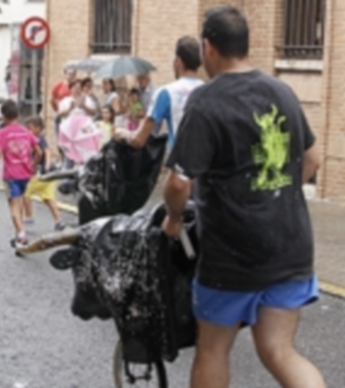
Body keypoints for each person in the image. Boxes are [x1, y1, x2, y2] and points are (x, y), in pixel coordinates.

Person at [161, 7, 325, 388]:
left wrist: (172, 219)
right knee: (279, 350)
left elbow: (178, 183)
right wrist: (276, 196)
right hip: (290, 246)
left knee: (214, 350)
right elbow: (313, 157)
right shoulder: (281, 91)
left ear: (208, 47)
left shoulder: (207, 102)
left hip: (231, 257)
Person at [116, 36, 204, 151]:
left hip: (179, 164)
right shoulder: (212, 91)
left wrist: (122, 133)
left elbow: (139, 139)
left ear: (178, 61)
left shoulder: (165, 93)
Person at [0, 100, 41, 248]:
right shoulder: (26, 131)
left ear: (3, 117)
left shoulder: (1, 134)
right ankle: (19, 232)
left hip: (11, 175)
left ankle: (21, 236)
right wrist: (33, 165)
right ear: (18, 114)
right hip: (26, 173)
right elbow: (39, 151)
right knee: (21, 203)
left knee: (13, 206)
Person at [21, 116, 64, 231]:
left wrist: (46, 165)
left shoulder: (38, 139)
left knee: (25, 193)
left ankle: (29, 216)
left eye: (30, 128)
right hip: (50, 174)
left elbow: (47, 152)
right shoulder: (37, 139)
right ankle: (58, 220)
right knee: (49, 198)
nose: (27, 131)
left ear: (38, 128)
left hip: (40, 173)